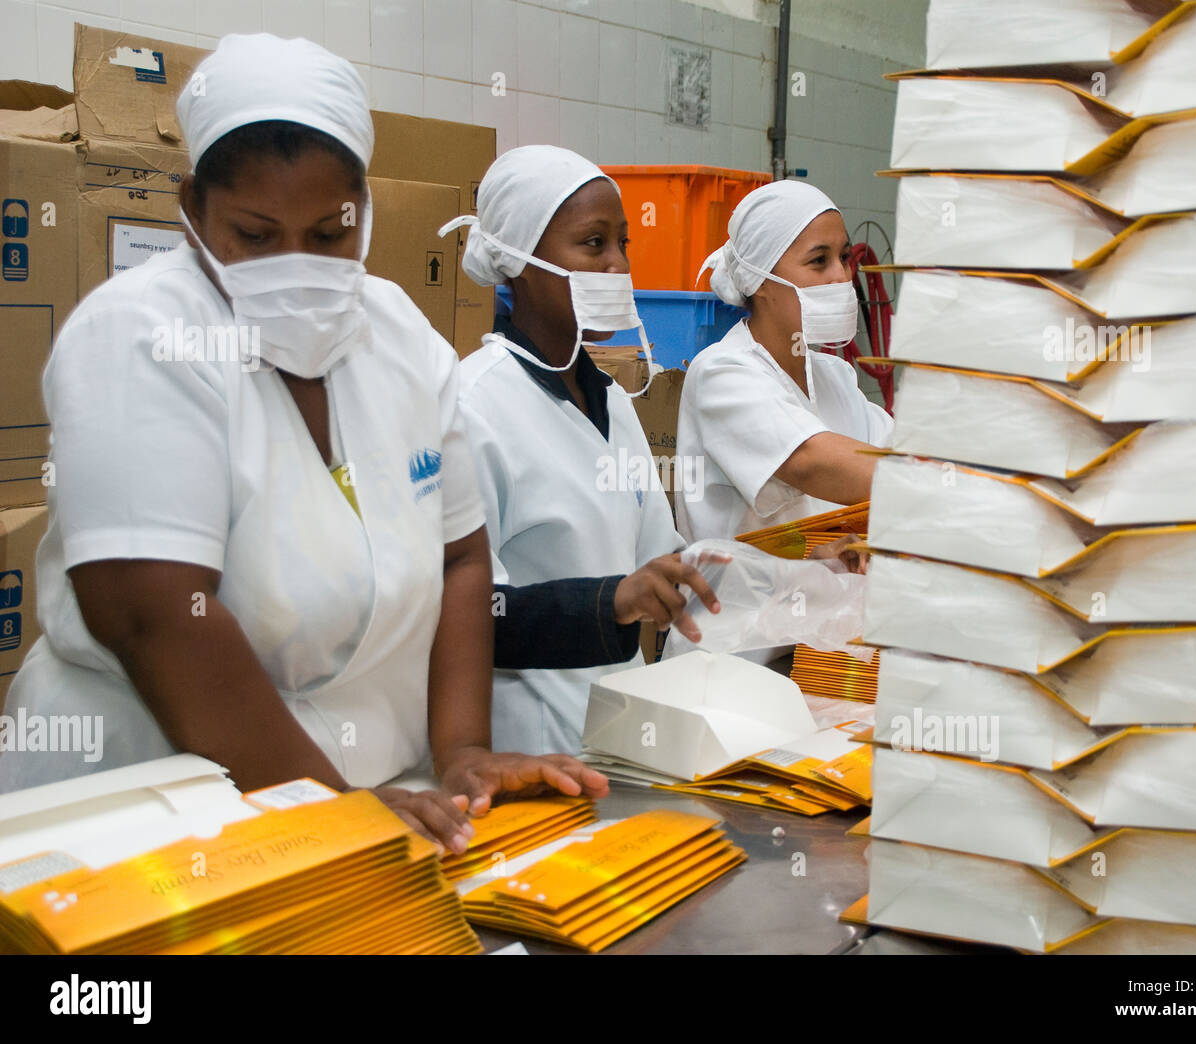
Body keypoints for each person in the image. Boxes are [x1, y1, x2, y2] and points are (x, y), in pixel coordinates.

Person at [0, 35, 606, 851]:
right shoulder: (138, 335)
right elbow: (152, 612)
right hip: (152, 813)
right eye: (254, 234)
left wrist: (461, 750)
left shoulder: (399, 336)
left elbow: (459, 558)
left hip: (367, 804)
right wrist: (326, 806)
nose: (295, 264)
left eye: (327, 234)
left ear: (364, 206)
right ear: (191, 209)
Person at [441, 145, 723, 756]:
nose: (618, 264)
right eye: (593, 244)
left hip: (614, 743)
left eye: (624, 243)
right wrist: (607, 602)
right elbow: (460, 617)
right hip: (525, 753)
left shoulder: (612, 403)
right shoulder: (473, 406)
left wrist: (797, 566)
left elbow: (665, 565)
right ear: (518, 261)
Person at [676, 180, 894, 550]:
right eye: (818, 261)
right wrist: (941, 487)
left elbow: (892, 456)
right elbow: (810, 461)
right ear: (760, 279)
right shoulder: (720, 374)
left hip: (830, 599)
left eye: (843, 258)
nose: (842, 277)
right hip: (743, 605)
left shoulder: (834, 376)